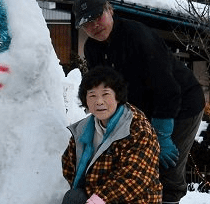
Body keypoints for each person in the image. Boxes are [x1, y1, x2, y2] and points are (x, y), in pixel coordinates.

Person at [73, 0, 205, 204]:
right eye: (87, 24)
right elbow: (103, 88)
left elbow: (167, 87)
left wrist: (162, 135)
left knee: (166, 168)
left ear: (110, 10)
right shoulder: (92, 48)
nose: (94, 26)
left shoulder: (137, 36)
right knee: (138, 165)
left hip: (182, 104)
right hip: (143, 110)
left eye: (98, 17)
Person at [61, 66, 161, 204]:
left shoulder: (136, 127)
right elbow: (69, 166)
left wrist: (100, 199)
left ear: (118, 96)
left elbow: (136, 177)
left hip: (135, 199)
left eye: (105, 94)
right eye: (92, 95)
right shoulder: (82, 130)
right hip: (96, 197)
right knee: (74, 197)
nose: (99, 101)